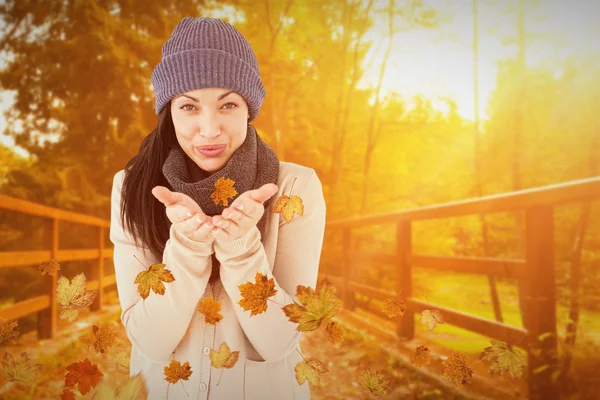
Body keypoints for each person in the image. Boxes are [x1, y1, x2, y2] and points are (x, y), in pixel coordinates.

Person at [109, 16, 326, 400]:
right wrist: (189, 250)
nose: (209, 129)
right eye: (189, 107)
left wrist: (241, 251)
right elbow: (149, 341)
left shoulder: (295, 188)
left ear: (249, 108)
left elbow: (281, 341)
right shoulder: (134, 189)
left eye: (227, 104)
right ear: (169, 111)